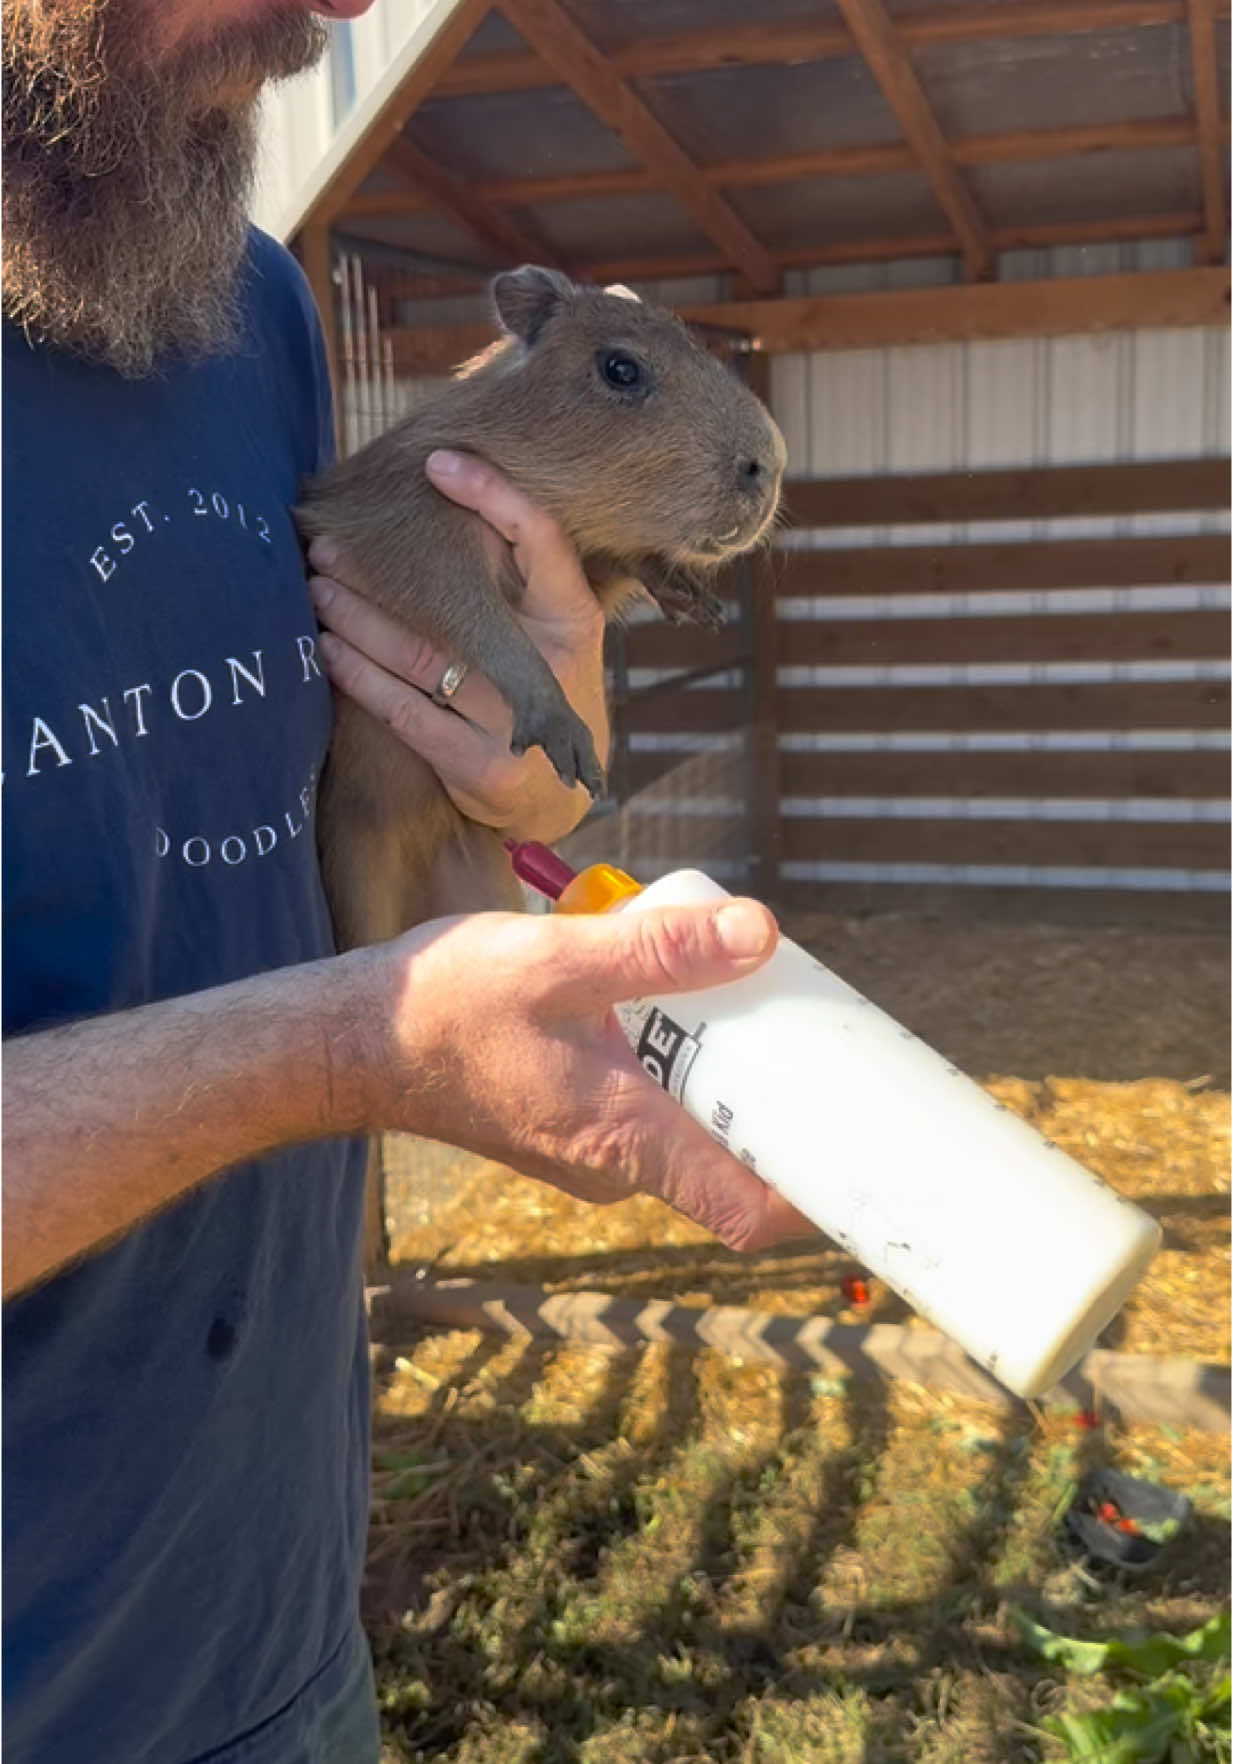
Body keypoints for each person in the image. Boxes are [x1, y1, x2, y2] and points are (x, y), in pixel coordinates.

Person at [2, 2, 812, 1760]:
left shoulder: (243, 298)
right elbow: (336, 1020)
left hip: (280, 1617)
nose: (355, 6)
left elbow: (304, 770)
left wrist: (523, 768)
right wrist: (354, 1048)